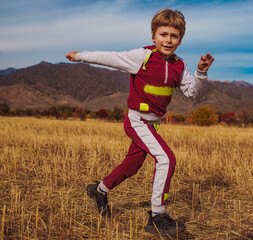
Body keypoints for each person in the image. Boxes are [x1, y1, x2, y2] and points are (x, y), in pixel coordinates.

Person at [66, 8, 214, 236]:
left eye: (174, 36)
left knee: (132, 165)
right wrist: (80, 56)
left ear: (180, 40)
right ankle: (157, 216)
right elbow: (111, 58)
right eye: (163, 34)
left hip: (153, 124)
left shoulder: (179, 65)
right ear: (153, 36)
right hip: (137, 120)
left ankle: (99, 190)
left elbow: (193, 93)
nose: (168, 40)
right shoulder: (142, 56)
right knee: (166, 159)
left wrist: (201, 73)